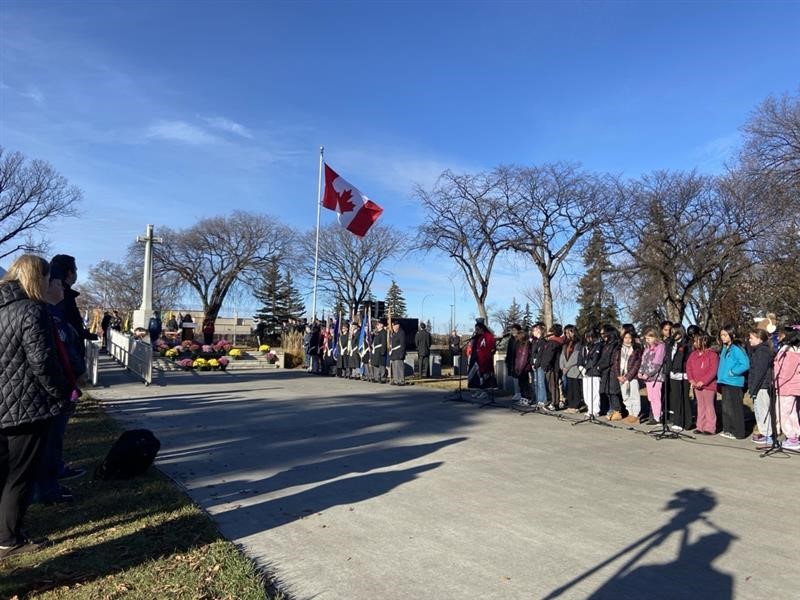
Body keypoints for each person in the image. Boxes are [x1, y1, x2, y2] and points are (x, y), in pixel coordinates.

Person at [0, 255, 72, 560]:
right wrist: (61, 392)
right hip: (26, 406)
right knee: (20, 476)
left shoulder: (3, 309)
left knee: (3, 473)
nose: (48, 284)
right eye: (46, 278)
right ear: (36, 278)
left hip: (3, 403)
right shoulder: (32, 310)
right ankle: (9, 540)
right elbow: (42, 361)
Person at [717, 325, 749, 440]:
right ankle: (728, 429)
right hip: (724, 381)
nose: (723, 337)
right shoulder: (725, 348)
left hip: (734, 382)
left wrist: (732, 372)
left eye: (725, 335)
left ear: (732, 335)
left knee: (736, 408)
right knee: (726, 407)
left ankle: (739, 432)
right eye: (721, 335)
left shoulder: (737, 348)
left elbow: (745, 364)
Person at [686, 334, 719, 435]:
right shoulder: (693, 354)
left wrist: (703, 381)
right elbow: (689, 367)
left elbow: (713, 370)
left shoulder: (712, 355)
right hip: (696, 385)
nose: (694, 343)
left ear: (704, 342)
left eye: (697, 341)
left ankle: (710, 427)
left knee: (709, 405)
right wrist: (691, 379)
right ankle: (700, 426)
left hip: (708, 385)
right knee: (700, 405)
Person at [773, 329, 800, 450]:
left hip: (786, 387)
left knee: (783, 413)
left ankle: (792, 436)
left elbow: (786, 372)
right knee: (791, 412)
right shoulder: (788, 350)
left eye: (781, 334)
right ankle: (794, 435)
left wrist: (776, 382)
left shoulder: (790, 352)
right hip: (788, 387)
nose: (779, 336)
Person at [747, 328, 774, 444]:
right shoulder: (757, 351)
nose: (749, 340)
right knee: (759, 411)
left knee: (763, 411)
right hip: (758, 387)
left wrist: (753, 389)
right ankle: (764, 433)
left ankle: (768, 435)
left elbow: (760, 372)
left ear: (759, 339)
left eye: (751, 338)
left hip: (762, 387)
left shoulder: (763, 351)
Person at [638, 328, 666, 425]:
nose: (647, 340)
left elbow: (657, 363)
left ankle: (658, 417)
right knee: (650, 397)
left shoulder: (660, 347)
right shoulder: (647, 348)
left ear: (655, 337)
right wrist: (640, 372)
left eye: (649, 338)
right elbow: (643, 361)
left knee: (656, 397)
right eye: (646, 338)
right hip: (647, 379)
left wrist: (648, 373)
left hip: (656, 377)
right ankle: (655, 415)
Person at [668, 325, 692, 432]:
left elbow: (687, 358)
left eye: (675, 332)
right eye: (672, 332)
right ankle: (677, 421)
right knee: (676, 398)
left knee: (684, 398)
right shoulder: (670, 344)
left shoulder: (686, 344)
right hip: (673, 374)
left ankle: (686, 422)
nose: (673, 334)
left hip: (683, 375)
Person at [616, 329, 643, 424]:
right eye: (625, 338)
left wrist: (627, 377)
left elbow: (636, 365)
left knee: (634, 395)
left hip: (632, 377)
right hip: (621, 376)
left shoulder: (636, 350)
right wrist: (618, 375)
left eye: (629, 338)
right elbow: (616, 362)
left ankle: (635, 414)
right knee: (625, 396)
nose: (628, 340)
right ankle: (630, 412)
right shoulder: (619, 349)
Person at [466, 319, 496, 399]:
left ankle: (485, 391)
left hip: (485, 359)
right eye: (475, 329)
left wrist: (488, 355)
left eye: (477, 329)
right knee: (476, 376)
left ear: (482, 328)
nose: (476, 331)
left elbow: (492, 347)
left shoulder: (488, 336)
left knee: (484, 376)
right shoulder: (477, 337)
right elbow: (473, 346)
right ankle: (478, 390)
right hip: (476, 358)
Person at [578, 327, 603, 416]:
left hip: (594, 372)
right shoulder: (584, 347)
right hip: (585, 373)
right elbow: (580, 357)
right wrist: (580, 366)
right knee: (586, 392)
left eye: (589, 336)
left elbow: (594, 359)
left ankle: (595, 410)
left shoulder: (598, 345)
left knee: (594, 392)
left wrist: (587, 367)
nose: (587, 338)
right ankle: (589, 408)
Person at [598, 325, 622, 420]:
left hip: (612, 371)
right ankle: (613, 410)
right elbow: (602, 357)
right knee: (608, 392)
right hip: (605, 372)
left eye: (604, 333)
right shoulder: (606, 345)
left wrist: (601, 366)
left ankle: (618, 410)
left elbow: (611, 359)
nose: (603, 336)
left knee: (613, 392)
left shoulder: (616, 345)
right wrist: (599, 366)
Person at [560, 325, 584, 413]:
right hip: (566, 369)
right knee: (569, 388)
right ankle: (570, 405)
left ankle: (576, 406)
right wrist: (562, 366)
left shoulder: (578, 343)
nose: (567, 334)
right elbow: (562, 355)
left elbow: (575, 356)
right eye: (565, 332)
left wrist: (567, 366)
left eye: (569, 332)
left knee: (575, 388)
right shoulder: (566, 343)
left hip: (574, 368)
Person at [541, 324, 564, 410]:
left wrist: (545, 365)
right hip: (554, 367)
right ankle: (554, 402)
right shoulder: (556, 342)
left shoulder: (553, 342)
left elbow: (549, 356)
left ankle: (555, 403)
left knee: (553, 386)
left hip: (553, 368)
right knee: (553, 385)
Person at [529, 322, 547, 406]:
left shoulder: (543, 341)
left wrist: (536, 364)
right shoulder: (535, 341)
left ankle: (542, 400)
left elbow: (540, 354)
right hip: (535, 364)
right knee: (536, 383)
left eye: (535, 330)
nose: (533, 332)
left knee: (540, 382)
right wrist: (532, 363)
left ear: (539, 330)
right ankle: (537, 399)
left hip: (540, 365)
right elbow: (533, 353)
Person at [389, 321, 407, 385]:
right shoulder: (394, 334)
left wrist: (402, 354)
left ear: (397, 326)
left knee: (399, 367)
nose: (393, 327)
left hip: (399, 353)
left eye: (394, 326)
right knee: (394, 367)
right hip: (394, 353)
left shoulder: (401, 333)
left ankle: (401, 380)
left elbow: (402, 344)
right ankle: (396, 380)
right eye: (392, 326)